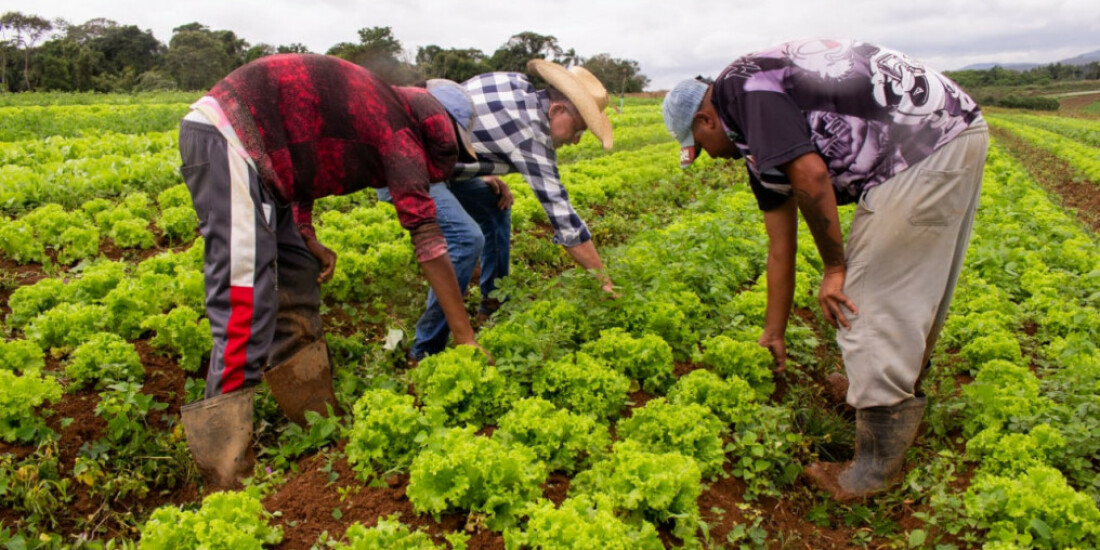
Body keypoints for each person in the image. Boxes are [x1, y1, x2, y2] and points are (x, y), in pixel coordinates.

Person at [662, 39, 988, 500]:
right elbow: (781, 248)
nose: (709, 156)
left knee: (867, 297)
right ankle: (881, 391)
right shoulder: (755, 140)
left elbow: (812, 176)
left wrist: (835, 268)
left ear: (706, 119)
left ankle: (874, 469)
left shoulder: (740, 90)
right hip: (950, 130)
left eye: (700, 146)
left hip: (922, 143)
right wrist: (773, 332)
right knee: (907, 285)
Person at [177, 53, 482, 488]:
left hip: (262, 153)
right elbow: (427, 237)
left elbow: (305, 152)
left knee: (298, 273)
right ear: (440, 128)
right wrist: (465, 337)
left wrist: (305, 233)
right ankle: (227, 476)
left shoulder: (384, 110)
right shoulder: (397, 127)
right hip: (229, 138)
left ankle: (316, 422)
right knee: (246, 299)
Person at [383, 59, 617, 361]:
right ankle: (426, 350)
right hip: (403, 164)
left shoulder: (514, 83)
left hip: (439, 161)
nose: (574, 141)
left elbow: (461, 119)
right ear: (557, 110)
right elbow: (565, 222)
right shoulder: (531, 135)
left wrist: (479, 171)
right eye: (578, 129)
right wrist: (605, 283)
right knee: (466, 239)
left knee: (495, 205)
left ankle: (493, 302)